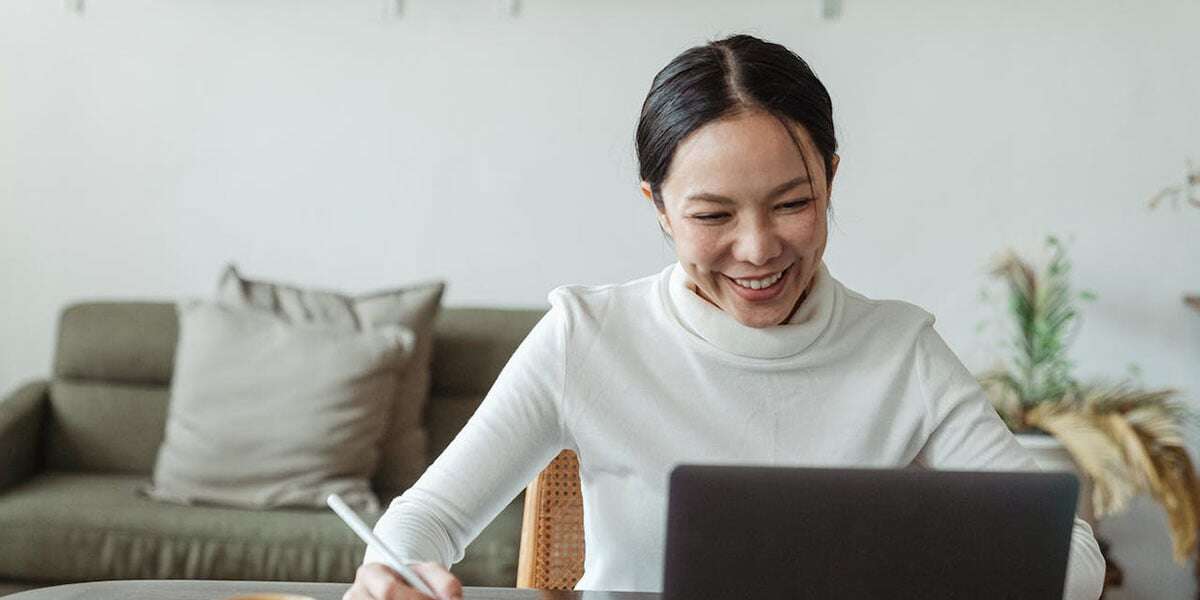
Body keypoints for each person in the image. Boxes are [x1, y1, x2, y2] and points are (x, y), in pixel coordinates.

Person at [344, 34, 1105, 600]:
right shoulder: (588, 337)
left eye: (794, 203)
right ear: (661, 210)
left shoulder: (899, 350)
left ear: (831, 179)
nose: (757, 249)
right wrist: (393, 576)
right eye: (712, 214)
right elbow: (424, 521)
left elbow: (1072, 556)